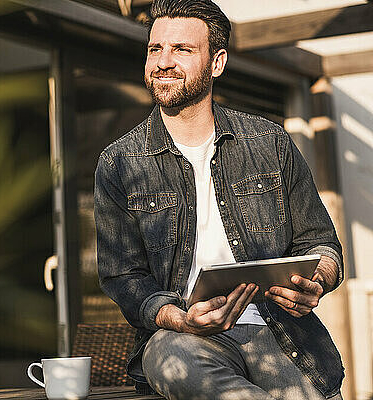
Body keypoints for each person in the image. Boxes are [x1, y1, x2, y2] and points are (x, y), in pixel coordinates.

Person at [93, 0, 344, 399]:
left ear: (217, 62)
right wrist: (179, 319)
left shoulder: (269, 142)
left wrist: (316, 281)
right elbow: (122, 276)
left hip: (279, 331)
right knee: (167, 358)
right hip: (185, 337)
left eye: (182, 49)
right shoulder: (118, 164)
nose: (163, 61)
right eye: (155, 48)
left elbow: (322, 243)